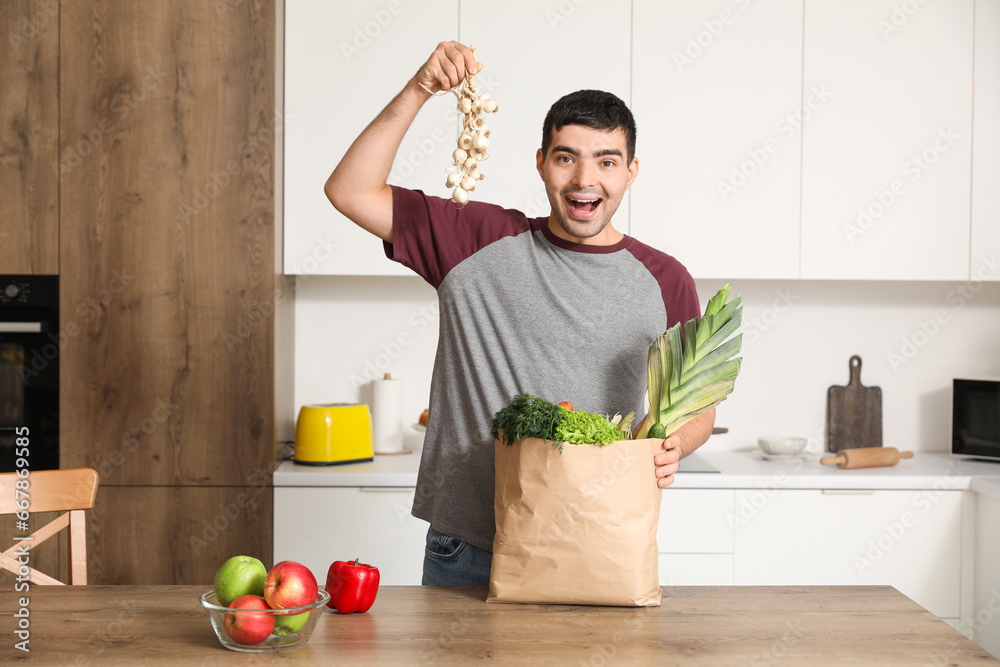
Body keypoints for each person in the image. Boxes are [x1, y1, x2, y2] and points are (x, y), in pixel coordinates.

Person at [325, 41, 714, 586]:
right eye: (566, 157)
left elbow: (698, 406)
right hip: (468, 548)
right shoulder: (473, 240)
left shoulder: (664, 278)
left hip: (598, 541)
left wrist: (675, 441)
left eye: (606, 161)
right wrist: (420, 89)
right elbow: (349, 190)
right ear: (541, 163)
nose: (585, 179)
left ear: (630, 172)